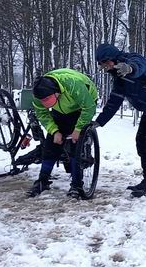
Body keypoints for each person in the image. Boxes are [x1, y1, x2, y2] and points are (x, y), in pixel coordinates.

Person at [94, 43, 146, 197]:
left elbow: (137, 68)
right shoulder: (119, 79)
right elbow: (114, 101)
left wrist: (128, 68)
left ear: (113, 58)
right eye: (102, 65)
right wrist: (99, 121)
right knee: (141, 142)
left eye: (106, 62)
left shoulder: (133, 59)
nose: (106, 67)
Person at [27, 68, 98, 200]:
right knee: (50, 145)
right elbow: (42, 113)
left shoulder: (72, 84)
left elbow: (89, 108)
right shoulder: (39, 94)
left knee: (75, 146)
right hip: (60, 108)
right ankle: (42, 181)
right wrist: (54, 131)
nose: (44, 102)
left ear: (56, 92)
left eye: (46, 99)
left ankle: (77, 184)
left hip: (82, 105)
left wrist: (78, 129)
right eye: (42, 100)